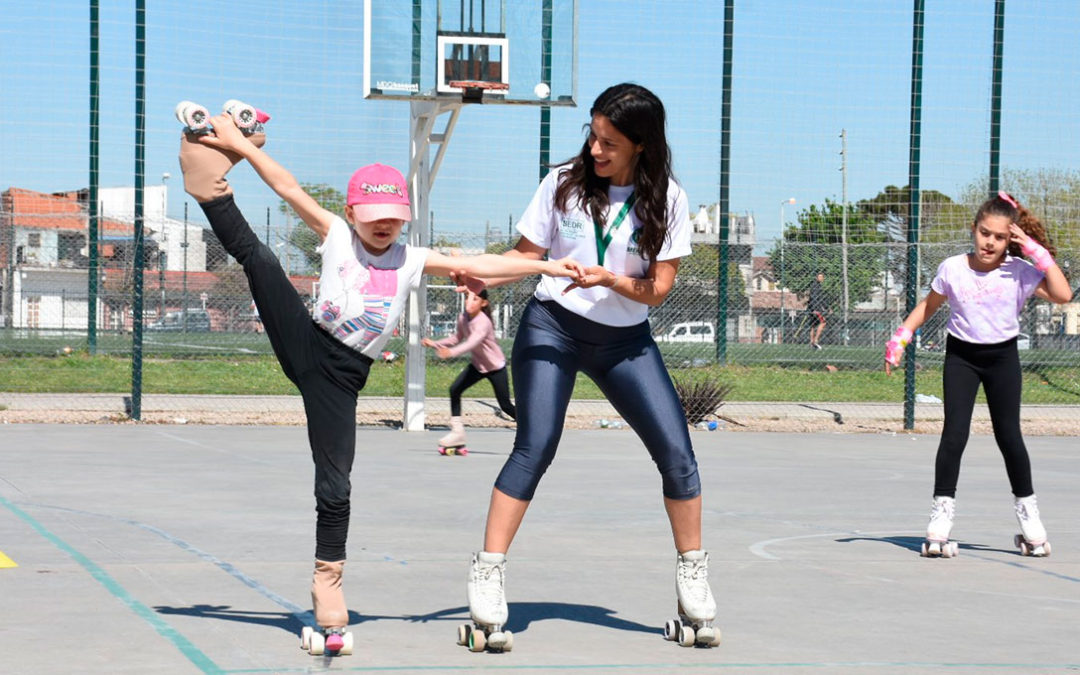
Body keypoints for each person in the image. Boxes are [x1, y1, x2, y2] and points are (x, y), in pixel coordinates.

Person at [177, 110, 582, 653]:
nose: (384, 225)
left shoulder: (412, 259)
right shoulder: (338, 233)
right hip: (306, 339)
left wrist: (545, 267)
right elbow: (288, 187)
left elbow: (487, 261)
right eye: (373, 216)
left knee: (336, 482)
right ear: (352, 213)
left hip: (340, 380)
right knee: (260, 258)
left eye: (393, 217)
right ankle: (208, 182)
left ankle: (327, 580)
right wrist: (241, 148)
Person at [453, 83, 720, 652]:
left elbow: (658, 291)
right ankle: (489, 571)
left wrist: (611, 279)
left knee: (677, 453)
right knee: (536, 445)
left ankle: (692, 574)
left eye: (609, 142)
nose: (596, 150)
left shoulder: (667, 200)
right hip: (553, 326)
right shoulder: (563, 184)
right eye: (593, 136)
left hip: (625, 341)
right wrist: (480, 277)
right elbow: (524, 258)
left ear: (641, 146)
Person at [884, 190, 1072, 559]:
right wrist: (900, 340)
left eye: (1000, 236)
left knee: (1009, 437)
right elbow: (927, 307)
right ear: (974, 230)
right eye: (985, 233)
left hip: (1002, 359)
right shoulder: (953, 268)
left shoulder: (1020, 272)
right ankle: (941, 516)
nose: (990, 242)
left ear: (1011, 238)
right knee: (954, 433)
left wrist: (1035, 251)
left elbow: (1063, 294)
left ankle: (1029, 518)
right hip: (962, 358)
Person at [422, 289, 515, 452]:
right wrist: (435, 343)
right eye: (467, 298)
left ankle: (529, 429)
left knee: (505, 405)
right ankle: (457, 433)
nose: (469, 302)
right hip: (478, 366)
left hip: (495, 366)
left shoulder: (483, 322)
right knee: (455, 389)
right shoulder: (463, 318)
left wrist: (450, 353)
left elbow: (471, 343)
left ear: (483, 303)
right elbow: (456, 338)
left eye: (475, 299)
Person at [807, 271, 827, 349]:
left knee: (812, 325)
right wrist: (815, 308)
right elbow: (813, 298)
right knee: (823, 322)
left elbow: (820, 299)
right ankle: (815, 341)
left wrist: (825, 307)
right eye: (819, 277)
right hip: (815, 309)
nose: (821, 278)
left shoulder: (817, 285)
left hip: (812, 308)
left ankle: (811, 342)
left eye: (822, 277)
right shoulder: (815, 286)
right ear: (816, 277)